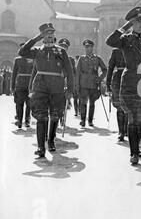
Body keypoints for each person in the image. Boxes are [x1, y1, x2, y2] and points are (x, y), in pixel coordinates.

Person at [106, 7, 141, 165]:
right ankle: (133, 153)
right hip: (130, 82)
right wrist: (124, 27)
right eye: (137, 22)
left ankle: (136, 147)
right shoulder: (125, 39)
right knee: (132, 116)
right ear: (132, 24)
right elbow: (109, 41)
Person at [18, 23, 74, 158]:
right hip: (40, 88)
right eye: (46, 33)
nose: (49, 35)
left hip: (57, 88)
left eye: (51, 32)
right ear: (43, 36)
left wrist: (70, 89)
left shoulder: (61, 51)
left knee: (55, 116)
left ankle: (51, 141)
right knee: (41, 117)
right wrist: (36, 38)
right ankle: (41, 147)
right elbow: (22, 52)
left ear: (54, 35)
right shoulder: (37, 51)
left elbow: (69, 72)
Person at [76, 39, 107, 127]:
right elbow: (77, 73)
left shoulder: (97, 58)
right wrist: (77, 85)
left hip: (94, 83)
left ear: (92, 48)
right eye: (86, 47)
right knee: (83, 102)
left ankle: (90, 121)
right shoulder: (81, 59)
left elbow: (105, 70)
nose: (88, 49)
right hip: (83, 83)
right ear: (84, 48)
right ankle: (82, 120)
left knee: (92, 103)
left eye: (89, 47)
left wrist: (100, 78)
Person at [106, 47, 128, 142]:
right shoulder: (115, 51)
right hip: (118, 79)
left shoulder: (133, 48)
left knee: (128, 106)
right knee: (119, 106)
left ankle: (126, 130)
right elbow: (110, 68)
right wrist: (107, 84)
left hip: (129, 79)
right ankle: (121, 132)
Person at [11, 43, 34, 128]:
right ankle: (19, 121)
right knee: (19, 103)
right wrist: (12, 87)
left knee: (29, 104)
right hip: (20, 85)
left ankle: (27, 120)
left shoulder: (33, 60)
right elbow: (14, 74)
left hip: (30, 85)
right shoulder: (17, 60)